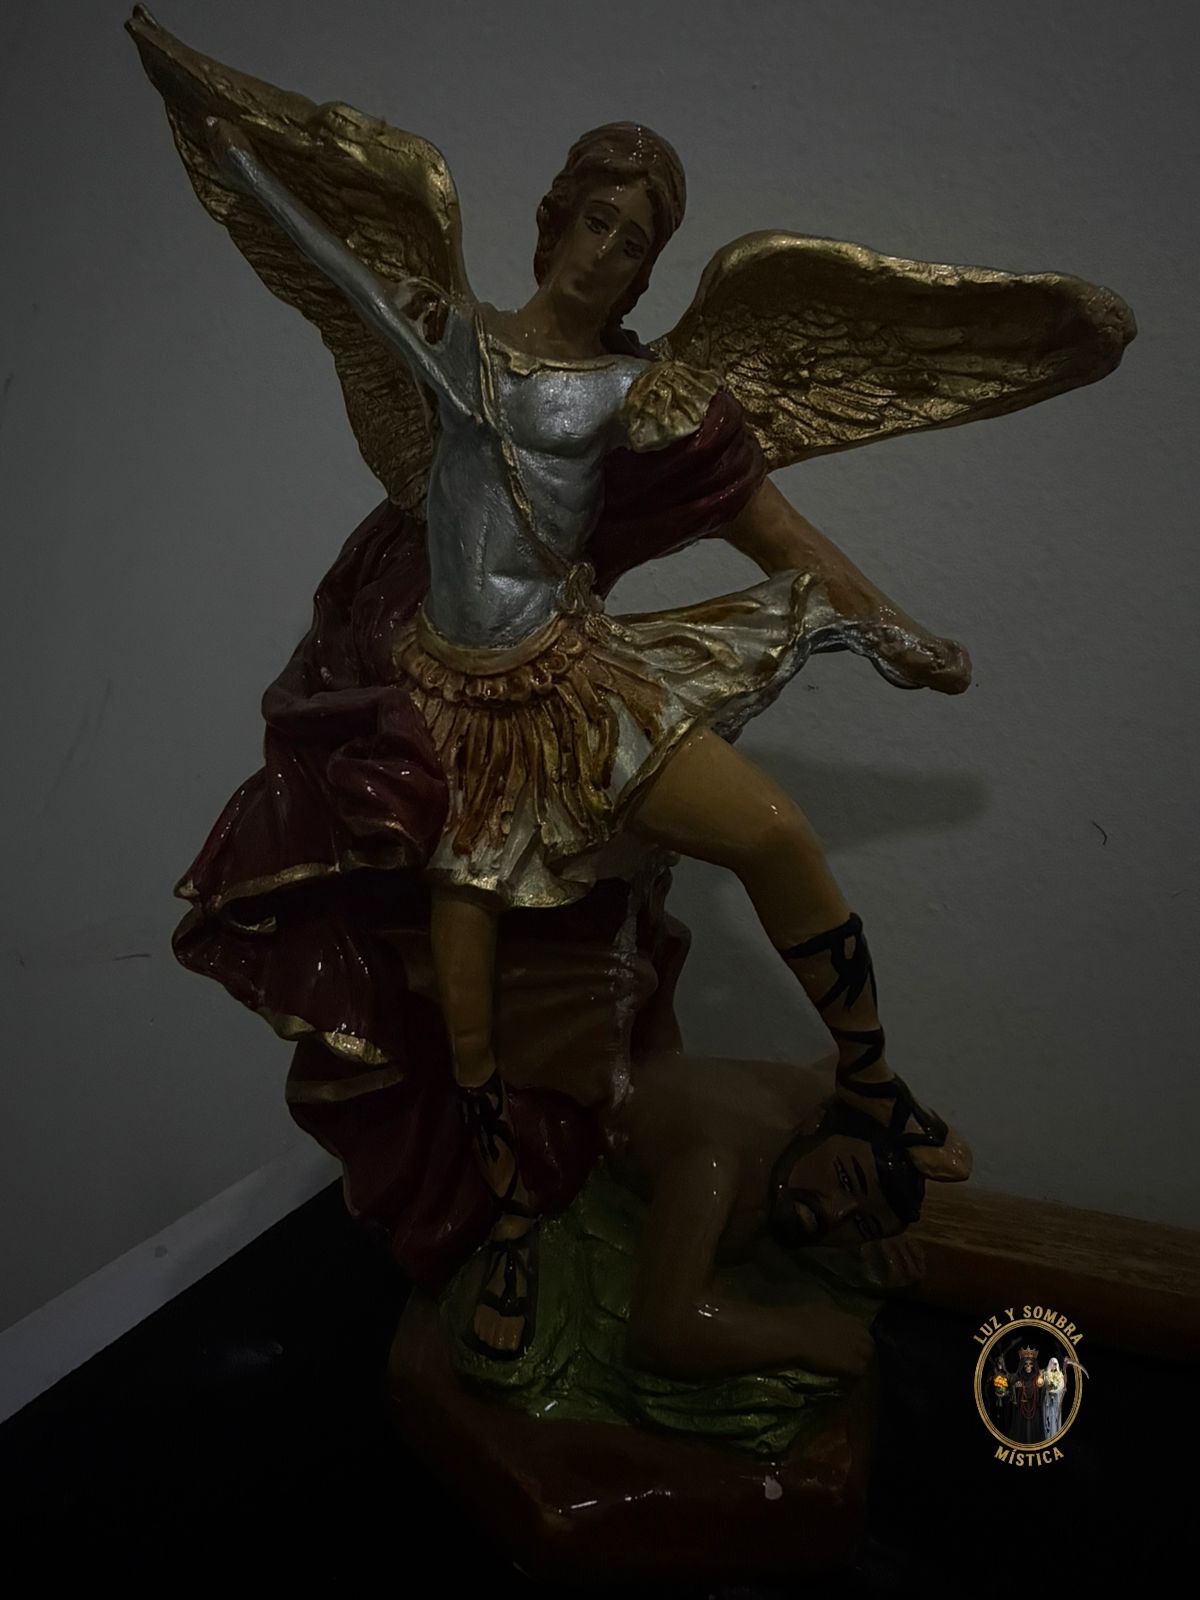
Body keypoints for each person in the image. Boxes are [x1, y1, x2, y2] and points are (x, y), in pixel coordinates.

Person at [202, 116, 969, 1359]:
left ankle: (873, 1075)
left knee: (773, 832)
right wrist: (251, 163)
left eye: (635, 243)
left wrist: (895, 629)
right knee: (467, 1017)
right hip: (454, 717)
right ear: (555, 220)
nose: (606, 254)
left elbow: (774, 530)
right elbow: (333, 262)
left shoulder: (635, 391)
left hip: (578, 683)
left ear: (648, 270)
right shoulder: (451, 334)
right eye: (596, 221)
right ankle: (511, 1222)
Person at [1008, 1346, 1046, 1445]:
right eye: (1026, 1364)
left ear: (1033, 1365)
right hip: (1022, 1406)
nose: (1028, 1366)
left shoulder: (1037, 1377)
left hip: (1034, 1405)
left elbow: (1042, 1388)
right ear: (1022, 1365)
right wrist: (1016, 1387)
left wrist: (1040, 1387)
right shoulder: (1018, 1376)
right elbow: (1011, 1386)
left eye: (1030, 1364)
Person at [1042, 1354, 1067, 1438]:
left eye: (1055, 1364)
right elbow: (1045, 1385)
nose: (1054, 1366)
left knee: (1055, 1417)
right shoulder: (1046, 1374)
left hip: (1056, 1400)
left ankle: (1055, 1435)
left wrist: (1055, 1391)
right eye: (1052, 1364)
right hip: (1048, 1400)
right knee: (1049, 1417)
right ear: (1050, 1364)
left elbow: (1061, 1386)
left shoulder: (1060, 1375)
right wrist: (1050, 1390)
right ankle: (1048, 1436)